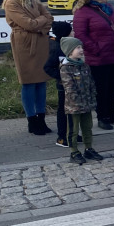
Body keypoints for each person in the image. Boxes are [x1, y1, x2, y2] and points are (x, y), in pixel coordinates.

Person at [3, 0, 54, 135]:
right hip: (24, 45)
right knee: (29, 82)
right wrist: (40, 23)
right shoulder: (11, 3)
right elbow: (28, 24)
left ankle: (41, 119)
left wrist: (39, 24)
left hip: (40, 42)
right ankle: (31, 120)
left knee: (41, 82)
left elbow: (49, 17)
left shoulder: (34, 0)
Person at [72, 0, 114, 130]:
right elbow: (81, 35)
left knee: (113, 87)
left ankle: (111, 114)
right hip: (98, 57)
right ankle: (102, 117)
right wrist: (96, 49)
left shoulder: (108, 8)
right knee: (101, 89)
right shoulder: (83, 12)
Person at [58, 36, 104, 166]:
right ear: (69, 51)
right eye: (78, 47)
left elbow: (91, 83)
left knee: (87, 127)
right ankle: (74, 152)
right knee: (73, 130)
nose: (81, 50)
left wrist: (93, 97)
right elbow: (69, 87)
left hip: (87, 104)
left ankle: (88, 149)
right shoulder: (66, 68)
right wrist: (77, 101)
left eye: (81, 47)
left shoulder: (84, 66)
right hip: (74, 106)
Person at [44, 20, 76, 148]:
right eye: (71, 30)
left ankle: (73, 133)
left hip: (75, 85)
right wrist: (62, 76)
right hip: (63, 86)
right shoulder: (57, 49)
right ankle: (62, 136)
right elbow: (48, 67)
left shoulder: (71, 47)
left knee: (74, 110)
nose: (74, 32)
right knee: (63, 111)